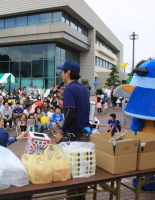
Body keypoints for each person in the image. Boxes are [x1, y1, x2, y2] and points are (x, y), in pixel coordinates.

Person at [55, 60, 90, 200]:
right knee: (82, 171)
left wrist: (61, 132)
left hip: (74, 137)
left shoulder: (69, 88)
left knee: (72, 171)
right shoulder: (83, 89)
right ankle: (81, 198)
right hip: (85, 134)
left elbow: (71, 113)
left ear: (68, 73)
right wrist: (64, 96)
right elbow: (78, 107)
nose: (61, 74)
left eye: (62, 71)